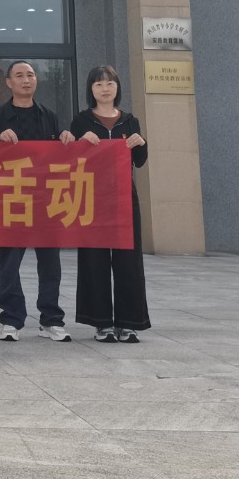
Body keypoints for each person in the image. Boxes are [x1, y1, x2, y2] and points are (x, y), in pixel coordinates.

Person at [0, 60, 75, 342]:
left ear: (36, 81)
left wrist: (66, 137)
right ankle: (11, 319)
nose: (26, 80)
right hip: (12, 199)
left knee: (50, 263)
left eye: (30, 75)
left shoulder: (49, 116)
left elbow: (59, 156)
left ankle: (51, 319)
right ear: (8, 82)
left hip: (46, 200)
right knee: (9, 264)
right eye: (19, 75)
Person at [70, 65, 151, 343]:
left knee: (129, 260)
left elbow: (139, 161)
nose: (105, 89)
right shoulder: (81, 120)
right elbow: (71, 161)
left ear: (117, 88)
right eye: (98, 84)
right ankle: (101, 323)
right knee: (94, 261)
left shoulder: (129, 121)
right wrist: (80, 142)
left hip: (124, 197)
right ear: (90, 90)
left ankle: (129, 323)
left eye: (110, 84)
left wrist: (141, 143)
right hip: (91, 197)